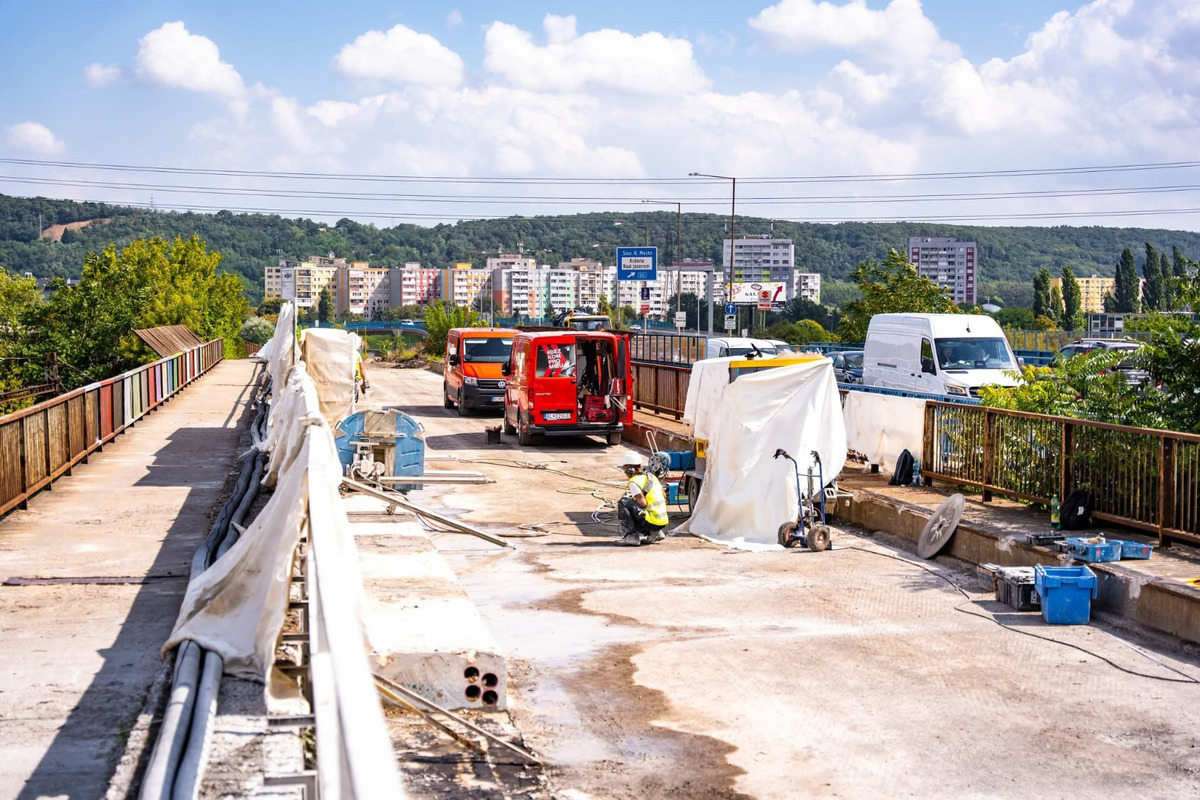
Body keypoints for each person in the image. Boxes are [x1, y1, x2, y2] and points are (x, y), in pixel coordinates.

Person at [616, 453, 668, 546]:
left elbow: (643, 503)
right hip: (662, 521)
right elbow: (663, 495)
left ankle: (632, 537)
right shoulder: (652, 477)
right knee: (633, 504)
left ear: (630, 469)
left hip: (651, 521)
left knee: (623, 503)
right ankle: (655, 533)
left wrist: (632, 501)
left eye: (625, 469)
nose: (625, 472)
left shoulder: (634, 481)